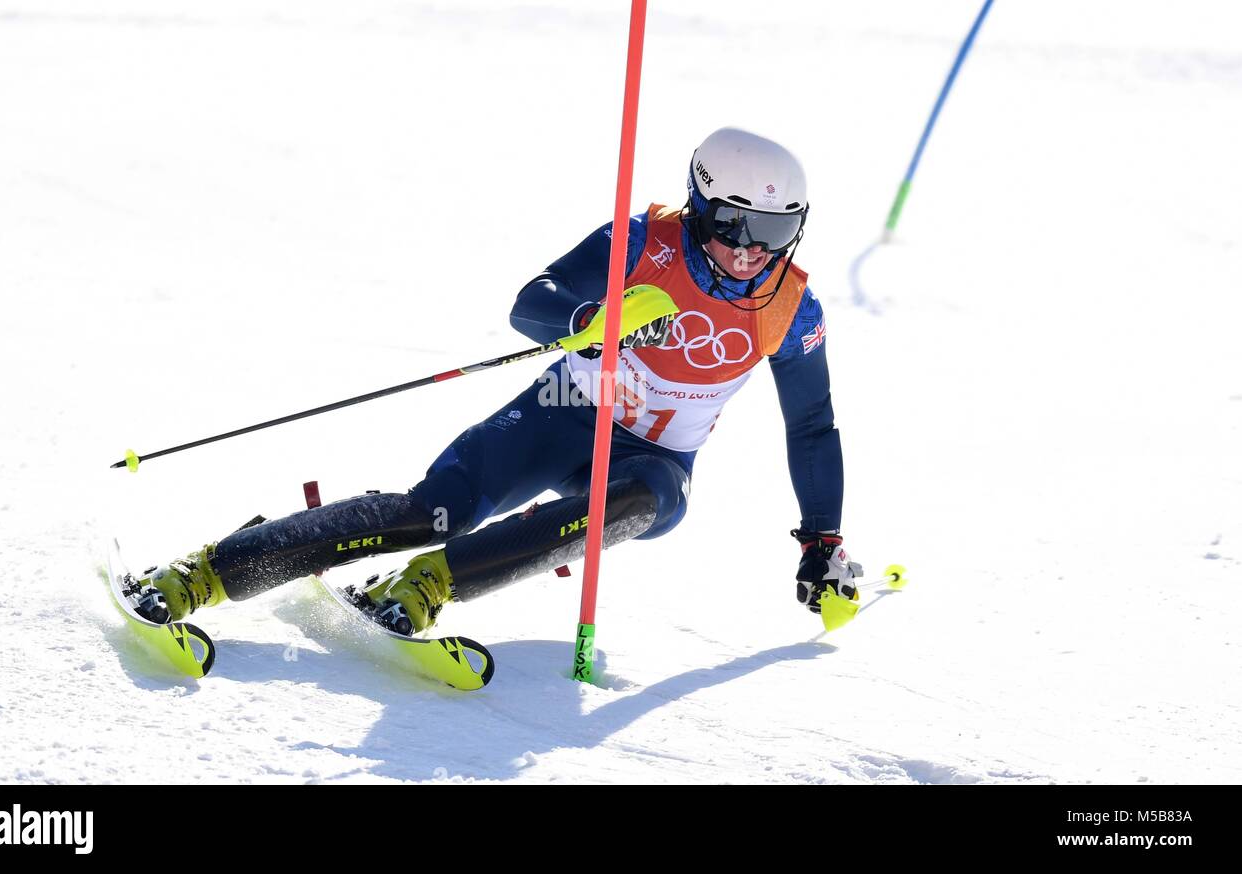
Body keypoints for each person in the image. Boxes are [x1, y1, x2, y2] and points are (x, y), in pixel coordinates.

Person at [131, 127, 861, 636]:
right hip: (563, 408)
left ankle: (428, 584)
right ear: (702, 204)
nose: (748, 251)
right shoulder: (645, 241)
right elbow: (530, 305)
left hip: (654, 458)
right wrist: (595, 318)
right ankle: (202, 575)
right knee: (433, 510)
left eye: (772, 231)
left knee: (650, 502)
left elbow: (811, 426)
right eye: (734, 224)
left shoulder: (793, 308)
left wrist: (821, 540)